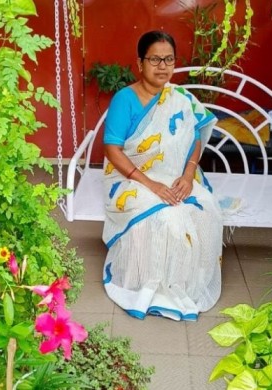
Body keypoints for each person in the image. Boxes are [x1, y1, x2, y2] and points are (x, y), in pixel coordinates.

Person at [101, 30, 222, 321]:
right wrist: (151, 184)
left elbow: (195, 136)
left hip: (176, 175)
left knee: (206, 208)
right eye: (155, 59)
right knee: (167, 216)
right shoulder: (125, 99)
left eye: (168, 59)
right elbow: (112, 149)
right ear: (140, 62)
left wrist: (189, 173)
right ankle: (145, 285)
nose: (162, 66)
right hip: (129, 178)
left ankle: (184, 286)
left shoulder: (180, 97)